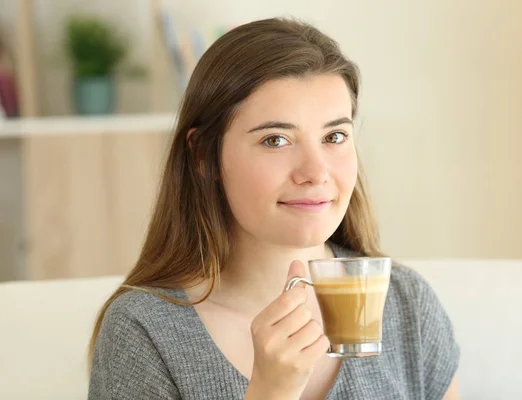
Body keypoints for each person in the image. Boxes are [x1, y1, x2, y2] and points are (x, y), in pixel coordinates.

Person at [88, 17, 460, 400]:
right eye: (275, 140)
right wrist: (269, 392)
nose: (315, 173)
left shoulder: (407, 305)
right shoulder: (145, 331)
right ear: (204, 156)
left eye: (334, 136)